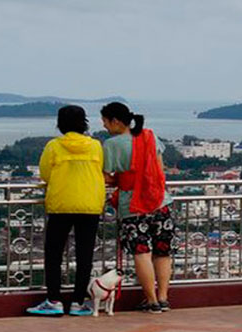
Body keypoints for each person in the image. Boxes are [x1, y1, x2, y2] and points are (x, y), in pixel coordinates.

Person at [27, 105, 106, 317]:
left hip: (61, 204)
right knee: (85, 255)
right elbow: (101, 170)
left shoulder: (54, 146)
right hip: (90, 204)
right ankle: (78, 302)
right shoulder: (96, 146)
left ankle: (54, 300)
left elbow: (45, 174)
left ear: (60, 123)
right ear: (84, 123)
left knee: (54, 254)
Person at [101, 102, 174, 314]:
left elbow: (107, 176)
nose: (105, 126)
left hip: (132, 205)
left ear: (115, 121)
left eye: (105, 122)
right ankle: (163, 298)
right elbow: (160, 169)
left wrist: (122, 180)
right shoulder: (150, 136)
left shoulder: (112, 144)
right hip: (161, 201)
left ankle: (151, 300)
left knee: (141, 252)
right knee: (163, 252)